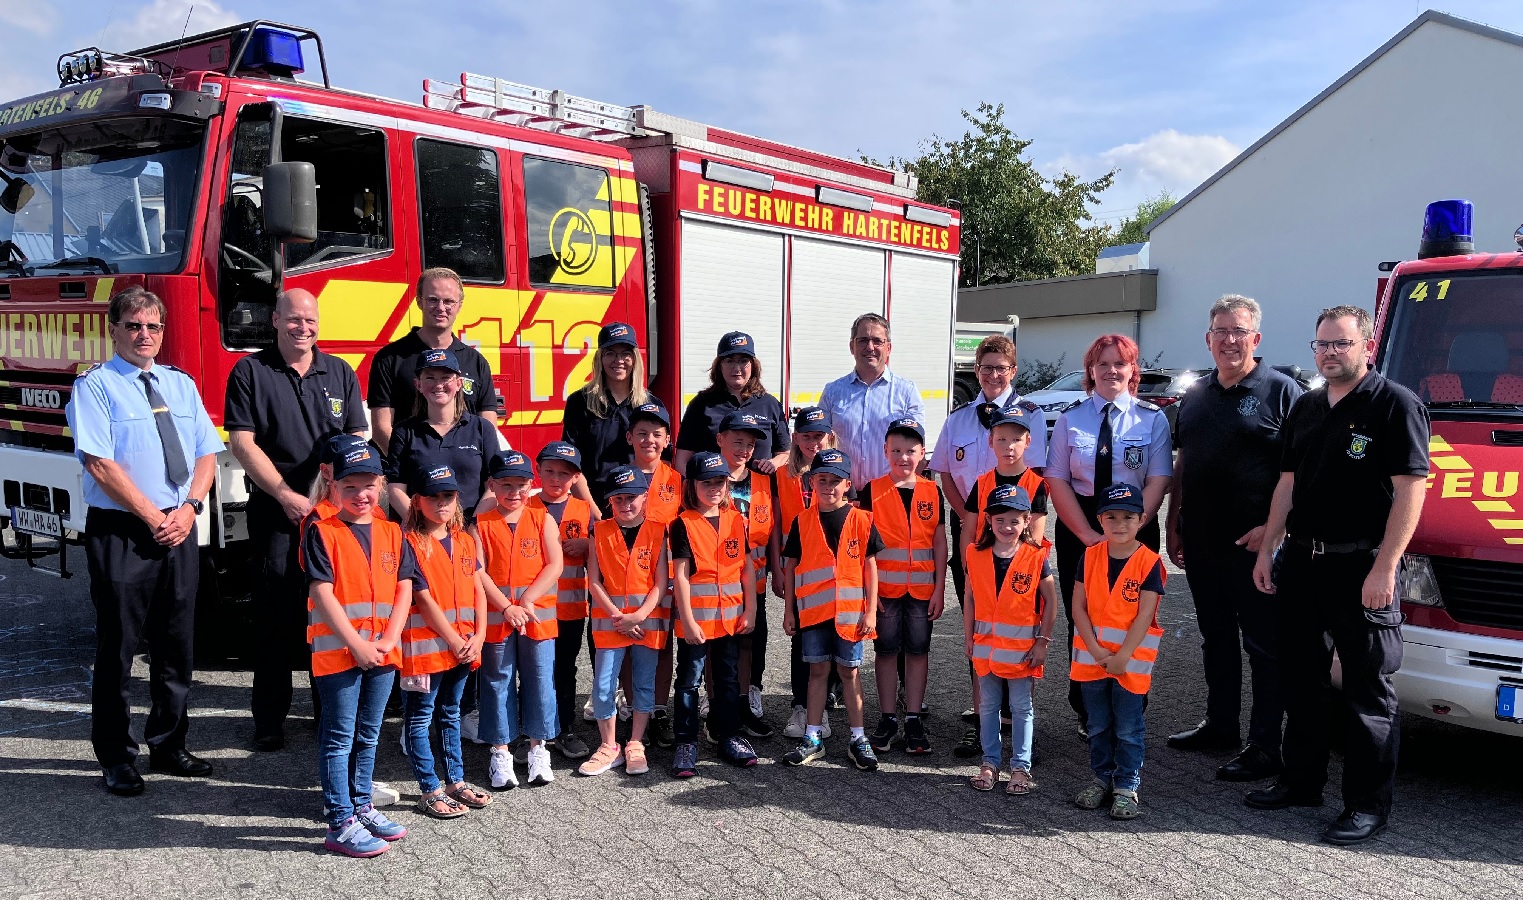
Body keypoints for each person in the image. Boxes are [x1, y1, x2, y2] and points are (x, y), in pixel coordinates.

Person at [1246, 305, 1428, 847]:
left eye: (1341, 344)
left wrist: (1385, 567)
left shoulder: (1394, 405)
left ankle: (1367, 807)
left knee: (1368, 687)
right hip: (1303, 561)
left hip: (1361, 565)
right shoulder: (1305, 407)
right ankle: (1301, 782)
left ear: (1366, 347)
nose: (1330, 353)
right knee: (1302, 678)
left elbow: (1410, 491)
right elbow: (1287, 485)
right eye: (1322, 344)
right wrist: (1268, 549)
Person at [65, 286, 222, 797]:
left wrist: (190, 508)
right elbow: (99, 463)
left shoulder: (180, 385)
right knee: (118, 648)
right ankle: (116, 756)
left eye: (153, 327)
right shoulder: (96, 386)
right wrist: (155, 514)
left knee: (177, 644)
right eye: (133, 326)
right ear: (113, 330)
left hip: (178, 525)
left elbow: (204, 455)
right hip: (124, 531)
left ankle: (170, 744)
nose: (144, 335)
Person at [224, 288, 368, 752]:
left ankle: (329, 714)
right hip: (276, 512)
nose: (303, 327)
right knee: (275, 617)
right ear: (275, 320)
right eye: (294, 319)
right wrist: (286, 494)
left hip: (331, 518)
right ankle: (269, 721)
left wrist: (334, 496)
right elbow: (242, 443)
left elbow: (357, 437)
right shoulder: (250, 371)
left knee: (329, 615)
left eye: (310, 320)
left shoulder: (339, 371)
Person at [1165, 295, 1302, 781]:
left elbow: (1301, 472)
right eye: (1220, 332)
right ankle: (1220, 726)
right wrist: (1173, 520)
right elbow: (1185, 462)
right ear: (1208, 339)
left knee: (1263, 646)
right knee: (1215, 638)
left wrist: (1274, 530)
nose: (1228, 340)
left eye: (1239, 332)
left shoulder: (1283, 393)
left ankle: (1265, 745)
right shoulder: (1196, 395)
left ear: (1256, 339)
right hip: (1202, 543)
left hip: (1256, 548)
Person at [1046, 334, 1172, 735]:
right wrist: (1087, 534)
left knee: (1135, 618)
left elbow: (1159, 478)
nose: (1111, 370)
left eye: (1120, 363)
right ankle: (1087, 708)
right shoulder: (1071, 418)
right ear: (1090, 371)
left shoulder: (1152, 418)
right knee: (1081, 614)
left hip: (1134, 525)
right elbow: (1057, 478)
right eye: (1102, 364)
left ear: (1133, 370)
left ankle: (1131, 701)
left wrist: (1129, 532)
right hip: (1081, 526)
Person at [301, 443, 416, 856]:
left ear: (381, 484)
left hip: (384, 653)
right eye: (351, 486)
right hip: (340, 653)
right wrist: (357, 645)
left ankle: (362, 804)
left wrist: (387, 640)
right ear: (334, 485)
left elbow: (405, 587)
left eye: (369, 485)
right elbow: (321, 591)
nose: (361, 494)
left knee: (368, 734)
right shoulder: (322, 530)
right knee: (338, 737)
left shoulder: (392, 530)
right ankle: (339, 819)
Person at [951, 403, 1049, 759]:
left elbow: (1036, 536)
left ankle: (1023, 732)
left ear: (1028, 442)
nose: (1008, 446)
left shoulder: (1037, 485)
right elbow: (969, 527)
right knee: (982, 648)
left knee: (1021, 652)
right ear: (990, 442)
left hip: (1022, 582)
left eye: (1016, 439)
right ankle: (982, 724)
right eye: (1001, 438)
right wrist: (967, 567)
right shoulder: (982, 483)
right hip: (985, 579)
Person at [399, 464, 493, 819]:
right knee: (420, 719)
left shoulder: (466, 541)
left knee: (451, 713)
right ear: (417, 501)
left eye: (448, 495)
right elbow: (422, 597)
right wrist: (455, 638)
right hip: (425, 652)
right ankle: (429, 788)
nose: (441, 502)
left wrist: (480, 634)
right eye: (433, 496)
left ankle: (454, 782)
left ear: (457, 500)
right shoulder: (408, 541)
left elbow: (478, 589)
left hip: (462, 648)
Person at [1070, 483, 1167, 821]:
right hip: (1092, 661)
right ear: (1100, 520)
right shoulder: (1090, 556)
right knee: (1097, 725)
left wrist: (1123, 655)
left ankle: (1126, 785)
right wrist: (1097, 650)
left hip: (1130, 664)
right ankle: (1101, 777)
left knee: (1127, 727)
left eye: (1128, 517)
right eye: (1111, 516)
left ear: (1142, 519)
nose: (1119, 523)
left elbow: (1145, 614)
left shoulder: (1149, 562)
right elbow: (1078, 608)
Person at [781, 448, 882, 770]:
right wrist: (789, 610)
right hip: (813, 615)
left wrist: (870, 611)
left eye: (835, 481)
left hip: (851, 615)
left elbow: (870, 567)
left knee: (849, 672)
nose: (828, 486)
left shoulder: (861, 520)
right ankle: (812, 736)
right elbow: (791, 565)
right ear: (811, 482)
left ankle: (858, 737)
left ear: (847, 484)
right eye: (822, 479)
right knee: (817, 672)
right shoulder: (802, 521)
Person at [475, 451, 564, 789]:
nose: (514, 492)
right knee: (497, 681)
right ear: (492, 486)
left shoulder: (543, 519)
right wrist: (504, 606)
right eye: (506, 485)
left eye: (521, 485)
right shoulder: (481, 524)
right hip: (499, 617)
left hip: (537, 616)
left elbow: (554, 565)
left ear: (532, 485)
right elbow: (477, 570)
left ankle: (538, 747)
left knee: (540, 679)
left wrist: (525, 600)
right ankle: (500, 751)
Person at [669, 453, 760, 775]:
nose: (714, 488)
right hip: (697, 622)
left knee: (728, 680)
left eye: (720, 481)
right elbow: (680, 575)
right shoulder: (682, 523)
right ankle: (686, 741)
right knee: (690, 680)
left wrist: (750, 608)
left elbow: (746, 567)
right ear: (692, 486)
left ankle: (728, 736)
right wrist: (689, 620)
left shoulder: (736, 519)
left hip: (731, 619)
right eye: (706, 482)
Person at [860, 417, 946, 755]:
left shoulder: (931, 491)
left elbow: (939, 541)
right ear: (885, 451)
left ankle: (912, 717)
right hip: (885, 593)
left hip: (922, 592)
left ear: (923, 453)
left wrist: (940, 588)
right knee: (885, 652)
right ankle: (887, 718)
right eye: (896, 450)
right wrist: (868, 593)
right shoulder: (872, 490)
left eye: (910, 450)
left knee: (918, 652)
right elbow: (863, 545)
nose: (903, 457)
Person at [963, 484, 1057, 794]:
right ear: (988, 520)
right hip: (986, 650)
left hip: (1021, 652)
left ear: (1027, 520)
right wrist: (968, 639)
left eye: (1015, 520)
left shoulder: (1035, 556)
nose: (1007, 526)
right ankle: (990, 763)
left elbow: (1051, 601)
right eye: (1000, 519)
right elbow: (970, 598)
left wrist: (1042, 641)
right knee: (987, 707)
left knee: (1021, 708)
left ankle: (1020, 768)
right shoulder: (974, 554)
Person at [581, 466, 671, 777]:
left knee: (643, 684)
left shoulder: (659, 530)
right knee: (604, 685)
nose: (625, 504)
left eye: (631, 498)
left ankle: (635, 741)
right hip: (611, 623)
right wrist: (619, 616)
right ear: (610, 502)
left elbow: (661, 581)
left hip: (647, 621)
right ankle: (608, 746)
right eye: (618, 499)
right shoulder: (599, 531)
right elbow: (594, 581)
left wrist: (639, 615)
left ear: (645, 498)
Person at [368, 267, 499, 456]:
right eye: (432, 300)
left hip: (464, 478)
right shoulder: (390, 358)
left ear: (459, 305)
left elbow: (488, 429)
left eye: (449, 301)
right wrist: (412, 469)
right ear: (419, 301)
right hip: (412, 478)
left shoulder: (476, 362)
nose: (441, 308)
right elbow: (382, 429)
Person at [776, 406, 844, 740]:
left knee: (830, 638)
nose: (813, 442)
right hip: (799, 572)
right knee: (801, 640)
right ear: (795, 438)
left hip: (831, 576)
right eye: (806, 436)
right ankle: (800, 705)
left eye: (819, 435)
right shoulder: (784, 475)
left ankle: (822, 707)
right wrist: (777, 568)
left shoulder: (839, 471)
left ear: (830, 436)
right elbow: (777, 526)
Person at [711, 410, 780, 738]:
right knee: (716, 642)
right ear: (720, 440)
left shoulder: (765, 482)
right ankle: (714, 702)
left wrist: (778, 571)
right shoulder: (708, 481)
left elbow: (774, 532)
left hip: (755, 581)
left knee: (748, 641)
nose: (745, 448)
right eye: (737, 441)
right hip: (715, 582)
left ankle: (742, 703)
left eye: (751, 444)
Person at [528, 442, 596, 761]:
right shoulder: (525, 507)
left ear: (576, 477)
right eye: (550, 471)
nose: (556, 478)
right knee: (532, 670)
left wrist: (589, 544)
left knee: (564, 669)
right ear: (538, 470)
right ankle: (532, 730)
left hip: (569, 610)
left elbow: (605, 551)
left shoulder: (584, 512)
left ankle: (564, 728)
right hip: (534, 610)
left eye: (564, 474)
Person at [385, 348, 500, 523]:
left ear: (459, 383)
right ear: (418, 385)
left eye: (446, 377)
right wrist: (423, 526)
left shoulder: (482, 428)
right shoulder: (404, 431)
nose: (438, 385)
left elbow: (494, 487)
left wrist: (473, 527)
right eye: (430, 377)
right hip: (421, 534)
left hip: (470, 531)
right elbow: (395, 490)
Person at [626, 400, 682, 748]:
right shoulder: (617, 478)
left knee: (662, 645)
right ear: (630, 437)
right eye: (642, 433)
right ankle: (633, 709)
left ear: (666, 441)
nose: (649, 440)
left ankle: (659, 709)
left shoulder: (676, 480)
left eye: (656, 434)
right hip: (627, 578)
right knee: (630, 644)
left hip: (665, 578)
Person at [818, 314, 924, 488]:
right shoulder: (832, 392)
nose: (870, 347)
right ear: (852, 346)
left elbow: (916, 454)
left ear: (888, 348)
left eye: (877, 341)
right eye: (862, 340)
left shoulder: (907, 392)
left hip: (889, 495)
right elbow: (819, 445)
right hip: (844, 499)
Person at [562, 322, 657, 510]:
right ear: (600, 358)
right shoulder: (579, 403)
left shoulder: (651, 405)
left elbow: (661, 462)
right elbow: (571, 464)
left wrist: (643, 508)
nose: (618, 360)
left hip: (638, 507)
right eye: (610, 353)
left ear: (635, 358)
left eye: (625, 353)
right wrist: (593, 514)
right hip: (593, 503)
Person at [674, 331, 790, 474]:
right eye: (729, 360)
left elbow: (785, 453)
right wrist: (697, 488)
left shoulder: (770, 404)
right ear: (719, 366)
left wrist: (774, 463)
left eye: (743, 361)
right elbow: (682, 461)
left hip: (760, 494)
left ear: (753, 365)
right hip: (714, 494)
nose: (736, 368)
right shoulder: (702, 404)